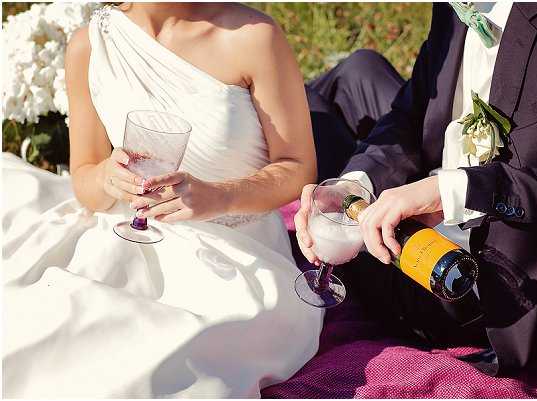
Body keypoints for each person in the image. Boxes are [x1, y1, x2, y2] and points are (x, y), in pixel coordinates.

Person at [3, 3, 323, 398]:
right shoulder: (90, 45)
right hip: (123, 238)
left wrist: (219, 197)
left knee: (163, 363)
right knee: (52, 336)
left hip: (237, 263)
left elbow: (297, 168)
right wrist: (106, 176)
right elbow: (84, 180)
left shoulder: (252, 37)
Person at [297, 2, 537, 377]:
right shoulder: (455, 10)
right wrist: (354, 183)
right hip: (428, 179)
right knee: (360, 68)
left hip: (489, 279)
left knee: (310, 118)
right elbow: (410, 115)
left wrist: (453, 190)